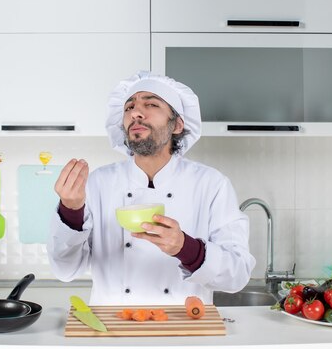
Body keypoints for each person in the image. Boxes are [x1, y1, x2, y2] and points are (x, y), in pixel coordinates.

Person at [46, 71, 255, 305]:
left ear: (177, 125)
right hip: (114, 330)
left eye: (151, 104)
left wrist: (185, 248)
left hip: (183, 331)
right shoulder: (98, 183)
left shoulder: (211, 184)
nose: (135, 112)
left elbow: (237, 274)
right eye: (128, 107)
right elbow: (65, 270)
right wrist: (71, 211)